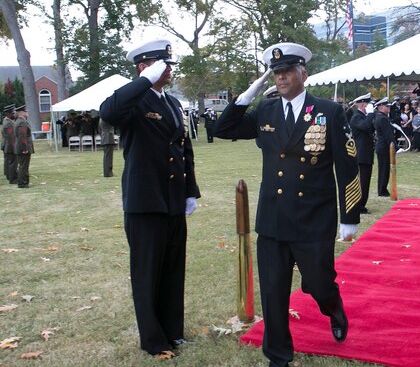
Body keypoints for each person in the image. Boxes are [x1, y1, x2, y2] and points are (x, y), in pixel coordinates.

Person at [213, 42, 361, 367]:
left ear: (302, 73)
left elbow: (349, 166)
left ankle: (333, 307)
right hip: (274, 219)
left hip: (314, 218)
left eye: (287, 72)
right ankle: (278, 357)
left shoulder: (329, 112)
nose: (281, 78)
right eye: (276, 73)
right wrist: (249, 93)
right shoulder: (265, 110)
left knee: (319, 283)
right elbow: (222, 129)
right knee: (273, 292)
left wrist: (349, 215)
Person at [99, 39, 200, 359]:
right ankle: (153, 339)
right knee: (147, 272)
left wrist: (190, 191)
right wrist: (141, 81)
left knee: (172, 267)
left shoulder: (171, 103)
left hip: (171, 199)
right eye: (163, 65)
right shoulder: (134, 101)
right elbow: (108, 111)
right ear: (145, 66)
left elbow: (185, 150)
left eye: (169, 65)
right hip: (145, 200)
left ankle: (173, 330)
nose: (169, 70)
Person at [349, 93, 375, 214]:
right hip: (361, 155)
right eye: (368, 104)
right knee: (362, 182)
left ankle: (362, 205)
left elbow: (371, 127)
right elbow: (365, 127)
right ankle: (359, 206)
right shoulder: (356, 117)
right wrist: (370, 114)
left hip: (366, 154)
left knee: (366, 181)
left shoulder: (363, 116)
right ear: (363, 104)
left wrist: (370, 115)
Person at [373, 97, 395, 197]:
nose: (389, 108)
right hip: (384, 147)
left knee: (383, 169)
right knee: (384, 170)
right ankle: (382, 190)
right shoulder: (382, 118)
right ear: (381, 107)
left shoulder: (380, 117)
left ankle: (382, 189)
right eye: (387, 106)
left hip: (382, 147)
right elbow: (388, 135)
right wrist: (396, 148)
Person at [14, 105, 34, 189]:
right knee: (23, 166)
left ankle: (23, 182)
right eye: (26, 111)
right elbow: (22, 136)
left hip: (22, 147)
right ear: (22, 112)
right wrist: (25, 148)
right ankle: (23, 183)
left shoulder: (21, 121)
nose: (27, 113)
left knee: (23, 165)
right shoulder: (22, 122)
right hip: (23, 148)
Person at [2, 104, 17, 184]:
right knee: (12, 162)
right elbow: (10, 137)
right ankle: (13, 178)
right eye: (13, 113)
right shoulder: (8, 123)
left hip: (7, 144)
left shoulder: (8, 121)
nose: (15, 114)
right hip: (10, 145)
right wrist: (14, 147)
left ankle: (9, 175)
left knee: (9, 161)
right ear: (9, 114)